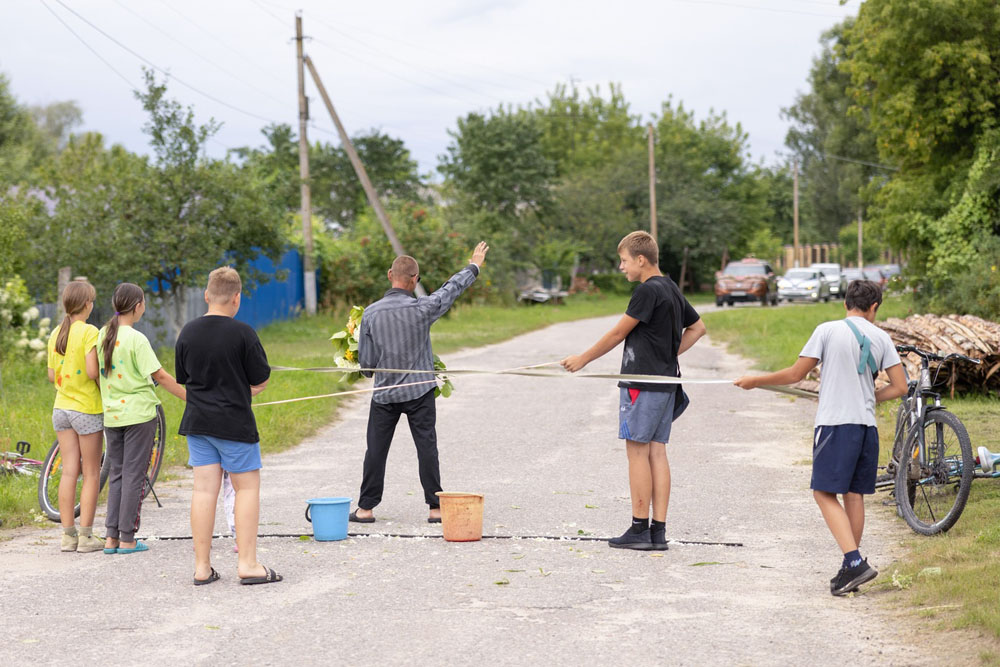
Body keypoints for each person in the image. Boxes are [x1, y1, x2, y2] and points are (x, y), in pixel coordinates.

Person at [734, 279, 907, 595]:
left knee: (823, 493)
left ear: (845, 304)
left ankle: (854, 562)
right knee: (853, 495)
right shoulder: (882, 337)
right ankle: (850, 569)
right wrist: (869, 396)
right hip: (866, 427)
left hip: (835, 425)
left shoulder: (827, 330)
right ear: (874, 308)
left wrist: (755, 380)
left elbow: (796, 374)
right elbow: (900, 387)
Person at [562, 231, 706, 551]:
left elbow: (617, 333)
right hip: (666, 383)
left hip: (642, 385)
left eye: (624, 261)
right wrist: (668, 356)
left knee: (637, 452)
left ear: (641, 260)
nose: (621, 267)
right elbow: (698, 327)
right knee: (657, 452)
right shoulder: (670, 287)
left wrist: (583, 359)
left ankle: (639, 528)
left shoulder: (646, 290)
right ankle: (658, 532)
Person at [350, 242, 489, 524]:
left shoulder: (371, 314)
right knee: (427, 447)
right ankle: (435, 509)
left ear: (390, 275)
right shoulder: (422, 308)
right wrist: (473, 266)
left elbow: (366, 366)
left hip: (385, 395)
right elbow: (450, 290)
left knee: (376, 449)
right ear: (414, 280)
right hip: (420, 392)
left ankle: (365, 509)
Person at [174, 267, 279, 585]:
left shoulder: (187, 333)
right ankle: (247, 563)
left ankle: (202, 567)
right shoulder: (244, 333)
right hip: (234, 423)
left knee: (204, 491)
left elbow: (185, 380)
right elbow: (260, 380)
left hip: (198, 423)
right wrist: (237, 390)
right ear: (237, 298)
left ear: (207, 296)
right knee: (246, 488)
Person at [98, 283, 186, 555]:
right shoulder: (137, 339)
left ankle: (111, 538)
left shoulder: (103, 334)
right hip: (139, 415)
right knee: (135, 476)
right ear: (137, 306)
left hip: (112, 415)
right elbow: (159, 375)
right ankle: (127, 538)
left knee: (118, 474)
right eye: (144, 303)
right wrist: (190, 396)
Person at [46, 279, 104, 553]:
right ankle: (87, 537)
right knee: (91, 472)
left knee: (69, 471)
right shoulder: (89, 331)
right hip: (86, 409)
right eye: (91, 300)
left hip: (61, 409)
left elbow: (50, 375)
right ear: (86, 304)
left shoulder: (56, 332)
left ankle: (67, 536)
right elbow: (93, 371)